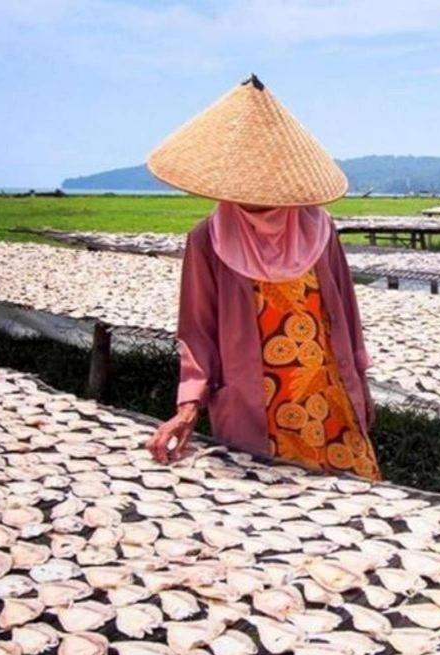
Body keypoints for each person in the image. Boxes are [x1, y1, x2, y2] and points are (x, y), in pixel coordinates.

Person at [144, 75, 380, 480]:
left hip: (328, 396)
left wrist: (360, 381)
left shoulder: (319, 231)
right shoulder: (209, 240)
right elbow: (196, 330)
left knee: (347, 504)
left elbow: (347, 315)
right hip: (253, 403)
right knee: (267, 509)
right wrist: (188, 407)